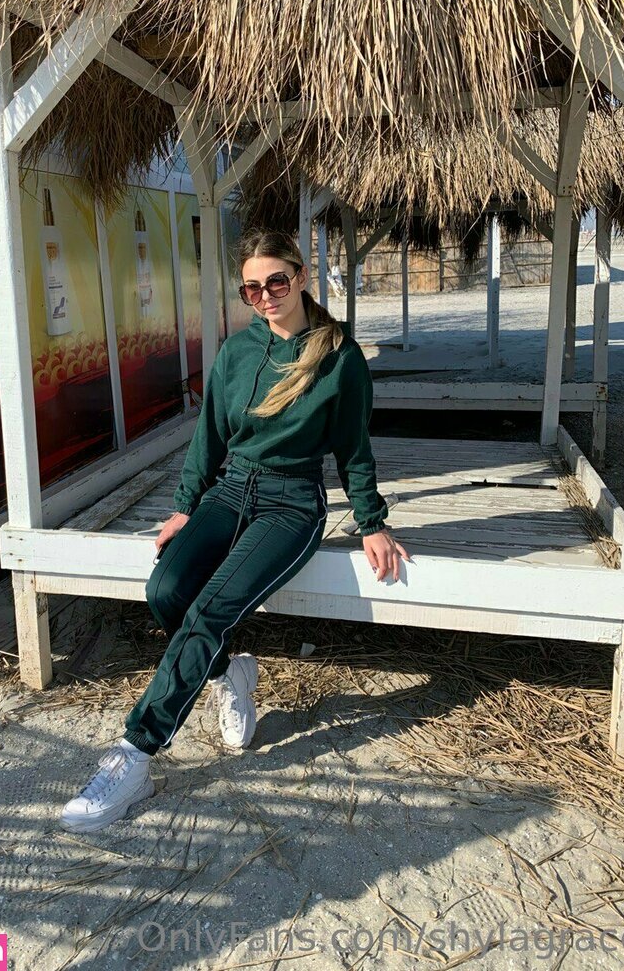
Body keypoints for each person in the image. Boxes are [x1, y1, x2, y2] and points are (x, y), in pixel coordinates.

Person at [61, 229, 410, 832]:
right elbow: (209, 437)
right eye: (252, 288)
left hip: (291, 503)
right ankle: (230, 672)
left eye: (277, 281)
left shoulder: (339, 357)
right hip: (230, 490)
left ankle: (135, 755)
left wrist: (371, 522)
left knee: (208, 612)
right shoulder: (237, 351)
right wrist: (185, 505)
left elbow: (354, 448)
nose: (266, 295)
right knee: (165, 590)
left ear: (301, 276)